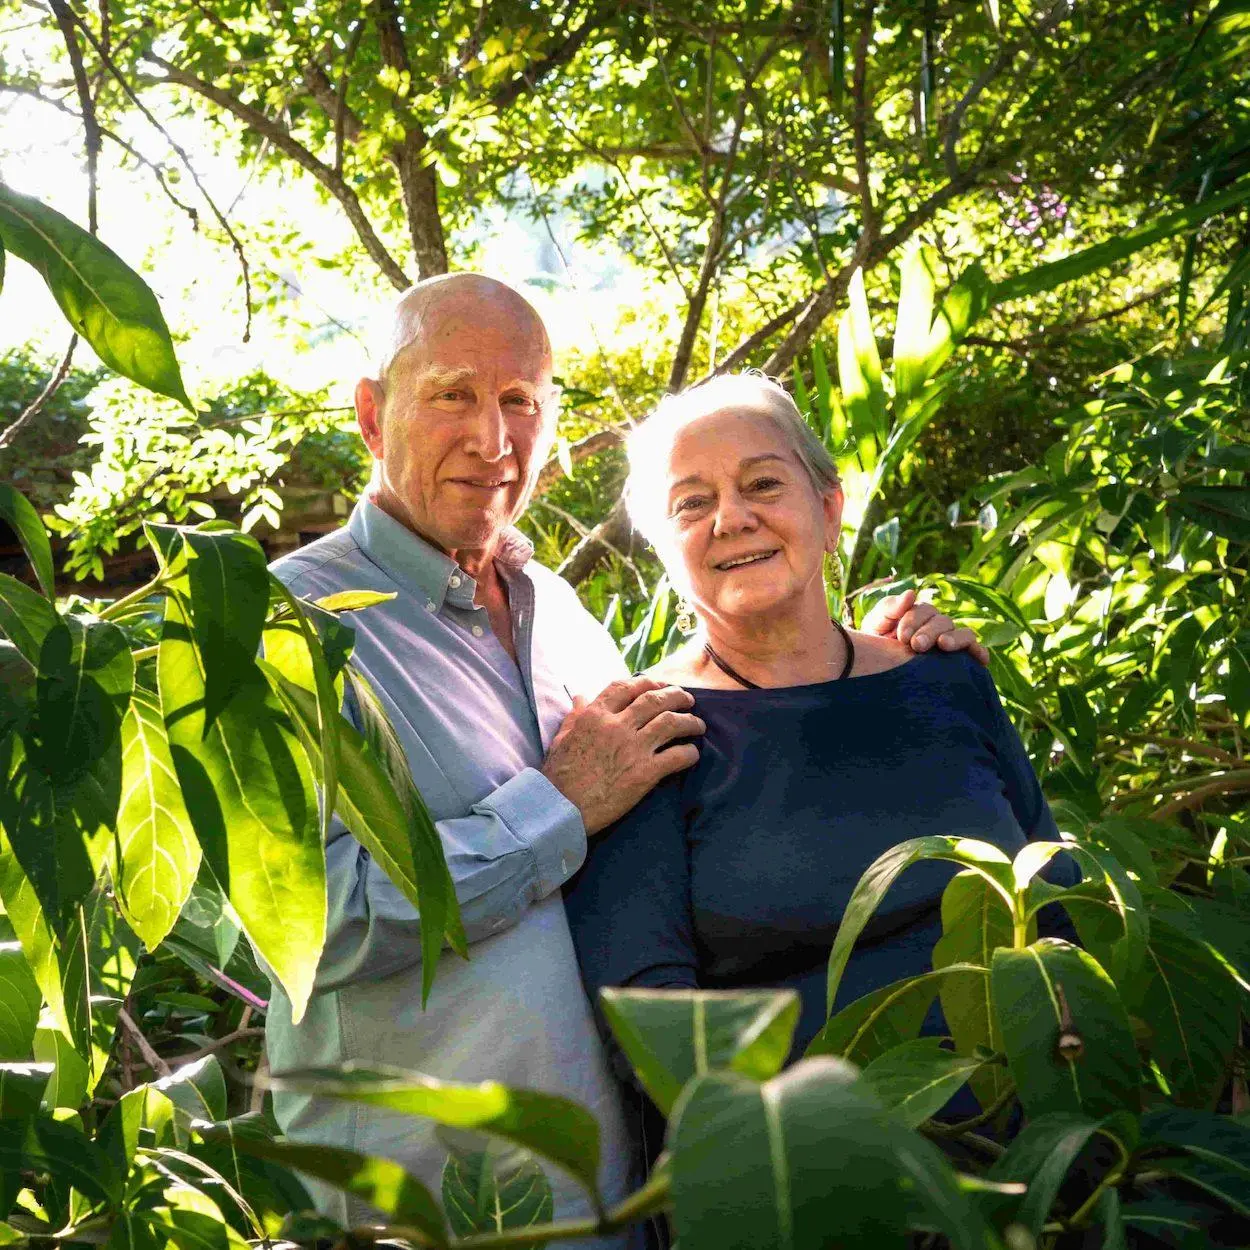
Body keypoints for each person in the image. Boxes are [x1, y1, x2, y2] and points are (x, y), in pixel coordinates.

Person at [265, 276, 985, 1238]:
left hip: (619, 1192)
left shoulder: (555, 611)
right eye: (452, 394)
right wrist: (553, 807)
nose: (493, 438)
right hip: (429, 1203)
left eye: (521, 399)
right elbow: (309, 930)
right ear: (369, 414)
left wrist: (885, 657)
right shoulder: (283, 628)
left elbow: (723, 759)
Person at [564, 372, 1076, 1111]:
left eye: (763, 484)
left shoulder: (944, 678)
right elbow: (654, 1027)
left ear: (829, 508)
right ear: (662, 551)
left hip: (1040, 1149)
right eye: (692, 503)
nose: (732, 518)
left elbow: (1058, 898)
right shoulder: (649, 735)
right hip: (810, 1169)